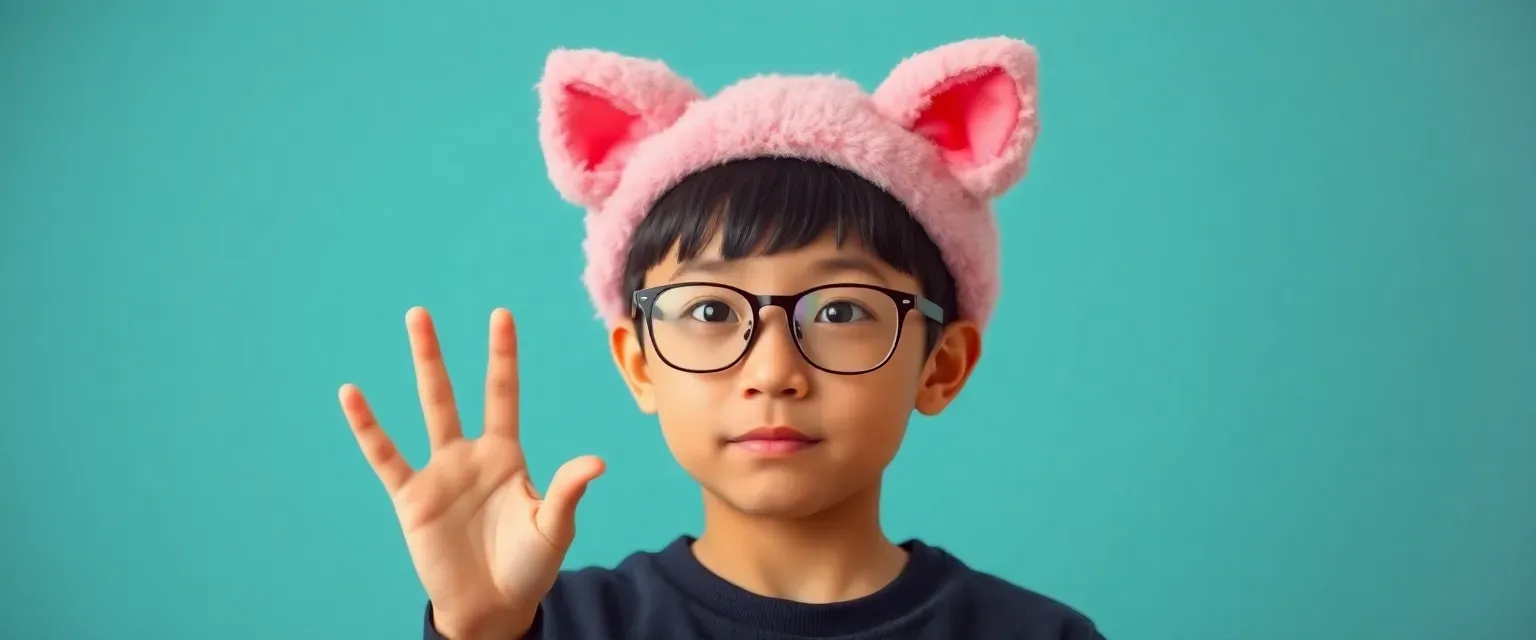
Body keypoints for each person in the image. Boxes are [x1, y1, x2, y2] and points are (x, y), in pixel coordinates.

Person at [339, 36, 1106, 639]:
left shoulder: (1039, 633)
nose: (772, 372)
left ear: (941, 365)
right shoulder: (547, 625)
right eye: (709, 312)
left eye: (840, 311)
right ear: (639, 364)